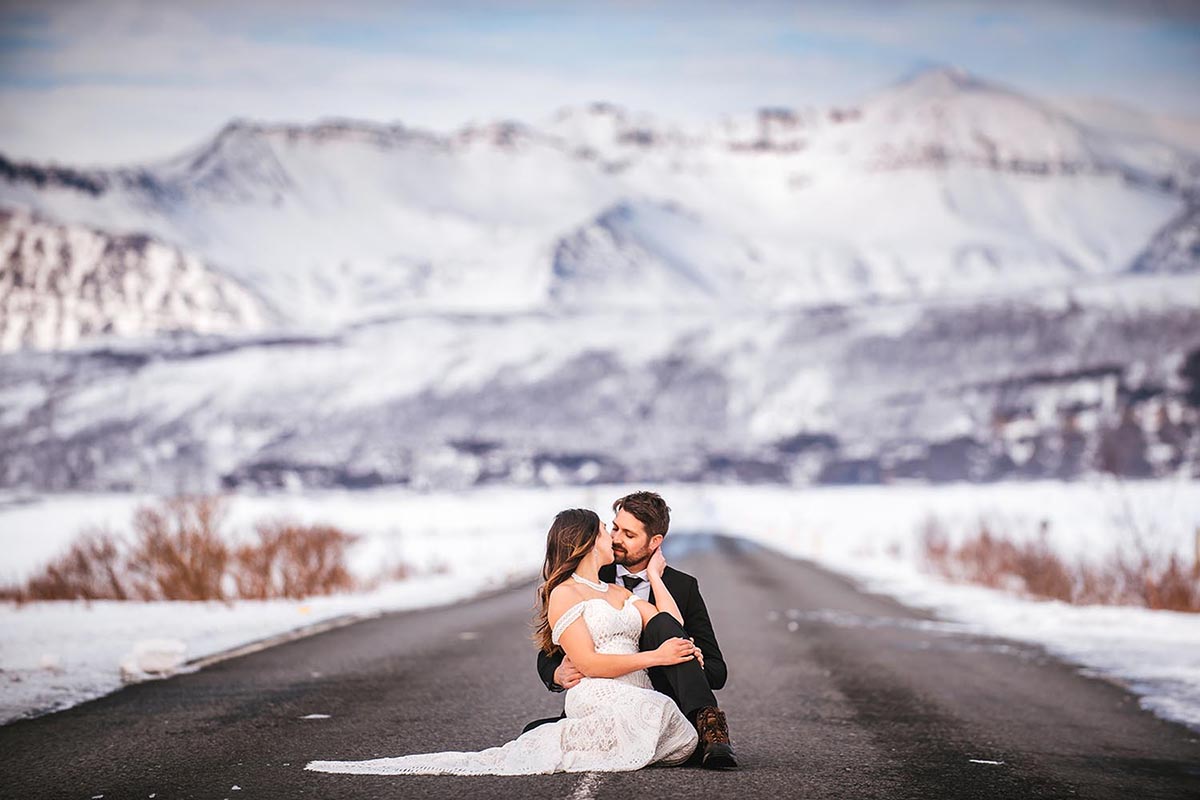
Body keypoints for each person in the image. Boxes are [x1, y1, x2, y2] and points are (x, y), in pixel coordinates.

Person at [305, 507, 702, 775]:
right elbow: (592, 664)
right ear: (584, 544)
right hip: (596, 691)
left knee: (680, 737)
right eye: (604, 531)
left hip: (636, 687)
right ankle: (570, 739)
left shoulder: (617, 593)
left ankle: (579, 740)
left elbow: (671, 624)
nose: (612, 538)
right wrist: (657, 656)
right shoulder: (565, 592)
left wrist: (655, 577)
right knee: (657, 713)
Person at [529, 491, 737, 770]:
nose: (615, 538)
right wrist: (557, 672)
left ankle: (711, 727)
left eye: (628, 534)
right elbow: (550, 653)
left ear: (655, 542)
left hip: (658, 694)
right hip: (600, 692)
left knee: (665, 628)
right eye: (613, 528)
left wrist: (684, 655)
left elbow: (714, 668)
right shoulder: (588, 576)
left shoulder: (682, 587)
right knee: (533, 736)